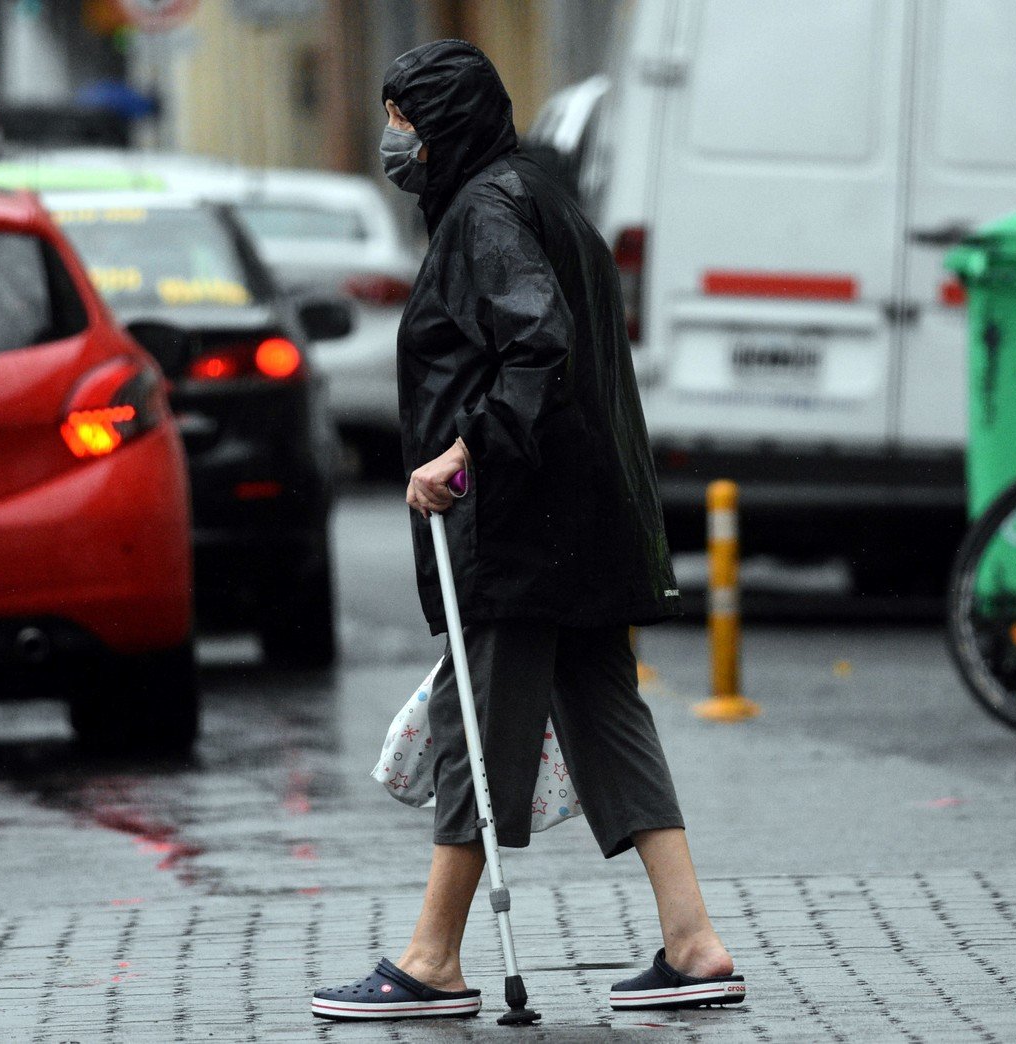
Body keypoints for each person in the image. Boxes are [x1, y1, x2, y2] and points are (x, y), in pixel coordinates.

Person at [311, 39, 742, 1022]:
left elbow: (534, 346)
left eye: (404, 123)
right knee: (605, 720)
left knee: (478, 728)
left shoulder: (484, 213)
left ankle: (431, 961)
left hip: (518, 520)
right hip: (584, 517)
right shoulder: (538, 200)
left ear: (444, 125)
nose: (394, 143)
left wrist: (462, 454)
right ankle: (693, 944)